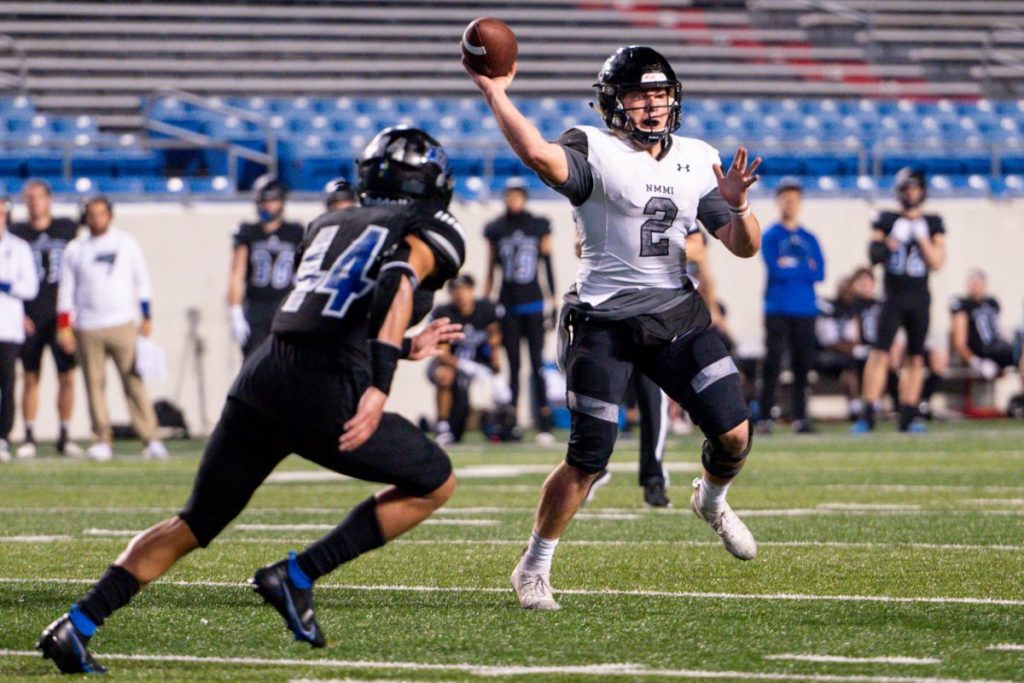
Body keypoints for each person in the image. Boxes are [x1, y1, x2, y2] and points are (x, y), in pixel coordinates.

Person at [37, 126, 467, 674]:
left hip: (264, 375)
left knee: (194, 521)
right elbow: (395, 282)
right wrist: (380, 384)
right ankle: (298, 574)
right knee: (436, 480)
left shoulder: (327, 222)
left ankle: (77, 624)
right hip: (324, 388)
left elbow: (329, 312)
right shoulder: (427, 227)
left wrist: (404, 346)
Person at [466, 45, 763, 611]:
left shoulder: (699, 157)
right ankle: (533, 565)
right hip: (603, 319)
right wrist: (493, 90)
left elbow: (744, 248)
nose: (653, 105)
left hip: (676, 312)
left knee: (734, 433)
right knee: (589, 457)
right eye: (638, 94)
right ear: (612, 102)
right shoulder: (591, 146)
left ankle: (712, 499)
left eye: (661, 94)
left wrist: (740, 207)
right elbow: (537, 155)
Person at [55, 197, 167, 462]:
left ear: (110, 215)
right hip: (88, 326)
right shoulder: (75, 248)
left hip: (122, 322)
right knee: (94, 385)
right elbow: (66, 289)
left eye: (101, 213)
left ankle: (150, 437)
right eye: (92, 214)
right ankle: (102, 438)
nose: (97, 219)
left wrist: (147, 315)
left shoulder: (126, 243)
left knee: (133, 382)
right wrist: (64, 327)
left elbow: (142, 278)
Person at [853, 168, 946, 434]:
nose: (911, 194)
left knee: (916, 357)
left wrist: (921, 238)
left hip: (919, 297)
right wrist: (894, 240)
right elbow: (873, 254)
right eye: (907, 189)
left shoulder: (932, 222)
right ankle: (868, 412)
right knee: (880, 353)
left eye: (915, 189)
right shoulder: (886, 218)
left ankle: (908, 414)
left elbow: (938, 261)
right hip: (892, 295)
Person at [10, 179, 82, 458]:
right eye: (29, 197)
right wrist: (21, 314)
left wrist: (73, 315)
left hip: (62, 315)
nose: (34, 202)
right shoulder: (17, 232)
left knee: (67, 376)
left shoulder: (67, 228)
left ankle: (64, 434)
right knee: (30, 377)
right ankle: (29, 436)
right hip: (32, 314)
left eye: (39, 196)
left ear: (49, 199)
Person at [483, 180, 556, 444]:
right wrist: (487, 300)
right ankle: (512, 422)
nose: (513, 200)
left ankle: (544, 422)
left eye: (517, 196)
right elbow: (491, 266)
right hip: (508, 304)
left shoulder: (538, 225)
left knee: (536, 364)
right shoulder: (496, 228)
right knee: (513, 366)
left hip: (533, 303)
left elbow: (547, 262)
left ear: (524, 198)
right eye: (509, 196)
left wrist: (554, 298)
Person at [757, 177, 824, 434]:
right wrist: (801, 268)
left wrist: (791, 267)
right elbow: (776, 268)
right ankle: (764, 416)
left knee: (803, 366)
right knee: (773, 364)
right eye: (786, 199)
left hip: (806, 310)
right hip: (777, 308)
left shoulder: (809, 237)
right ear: (778, 202)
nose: (790, 205)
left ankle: (801, 417)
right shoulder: (772, 235)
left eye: (795, 200)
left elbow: (819, 273)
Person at [427, 274, 510, 444]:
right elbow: (442, 353)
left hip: (480, 364)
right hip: (452, 365)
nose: (461, 294)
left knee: (500, 396)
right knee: (445, 375)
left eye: (465, 290)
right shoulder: (444, 314)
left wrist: (496, 374)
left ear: (472, 290)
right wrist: (465, 366)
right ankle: (442, 426)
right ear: (450, 293)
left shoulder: (485, 309)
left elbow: (494, 341)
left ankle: (498, 425)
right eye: (456, 290)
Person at [228, 175, 305, 358]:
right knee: (253, 367)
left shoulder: (294, 232)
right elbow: (236, 274)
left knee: (286, 364)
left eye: (272, 200)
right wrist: (235, 311)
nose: (267, 206)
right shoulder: (248, 232)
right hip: (256, 307)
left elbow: (302, 273)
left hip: (284, 306)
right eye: (264, 200)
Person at [0, 196, 39, 461]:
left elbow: (30, 288)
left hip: (8, 327)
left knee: (7, 385)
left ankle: (3, 438)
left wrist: (5, 285)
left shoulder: (20, 247)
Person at [950, 268, 1023, 385]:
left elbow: (999, 331)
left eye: (979, 282)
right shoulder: (962, 305)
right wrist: (977, 363)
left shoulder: (992, 303)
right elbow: (959, 342)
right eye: (973, 282)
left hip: (998, 349)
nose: (976, 286)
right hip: (982, 351)